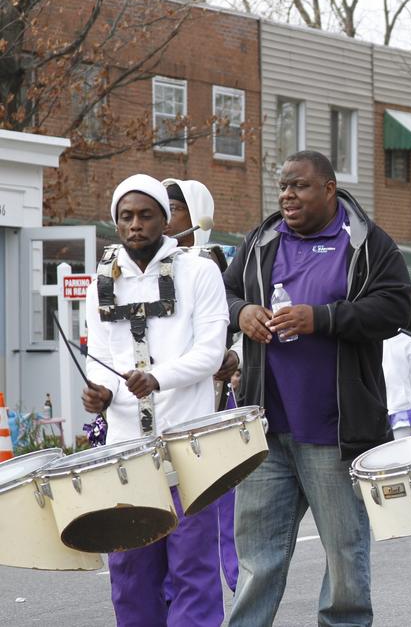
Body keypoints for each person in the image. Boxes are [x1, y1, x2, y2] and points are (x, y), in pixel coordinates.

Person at [223, 150, 411, 627]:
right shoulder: (262, 240)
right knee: (258, 558)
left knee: (345, 556)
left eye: (300, 186)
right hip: (266, 428)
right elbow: (221, 296)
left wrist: (321, 318)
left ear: (329, 189)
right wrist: (242, 312)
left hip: (335, 431)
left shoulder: (366, 242)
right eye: (283, 186)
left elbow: (394, 309)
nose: (287, 195)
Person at [81, 174, 229, 627]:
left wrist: (156, 378)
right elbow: (100, 357)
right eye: (126, 217)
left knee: (192, 567)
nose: (135, 225)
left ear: (165, 220)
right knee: (129, 571)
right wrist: (101, 392)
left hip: (191, 445)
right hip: (126, 450)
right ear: (116, 224)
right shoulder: (99, 283)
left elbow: (210, 352)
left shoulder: (199, 270)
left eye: (146, 215)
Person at [163, 177, 241, 594]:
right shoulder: (133, 267)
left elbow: (242, 326)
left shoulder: (215, 265)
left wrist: (233, 357)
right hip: (149, 409)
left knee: (199, 512)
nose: (162, 215)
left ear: (195, 215)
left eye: (172, 207)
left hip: (201, 406)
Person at [382, 331, 411, 439]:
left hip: (402, 413)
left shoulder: (409, 343)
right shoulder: (368, 340)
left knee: (401, 454)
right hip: (375, 413)